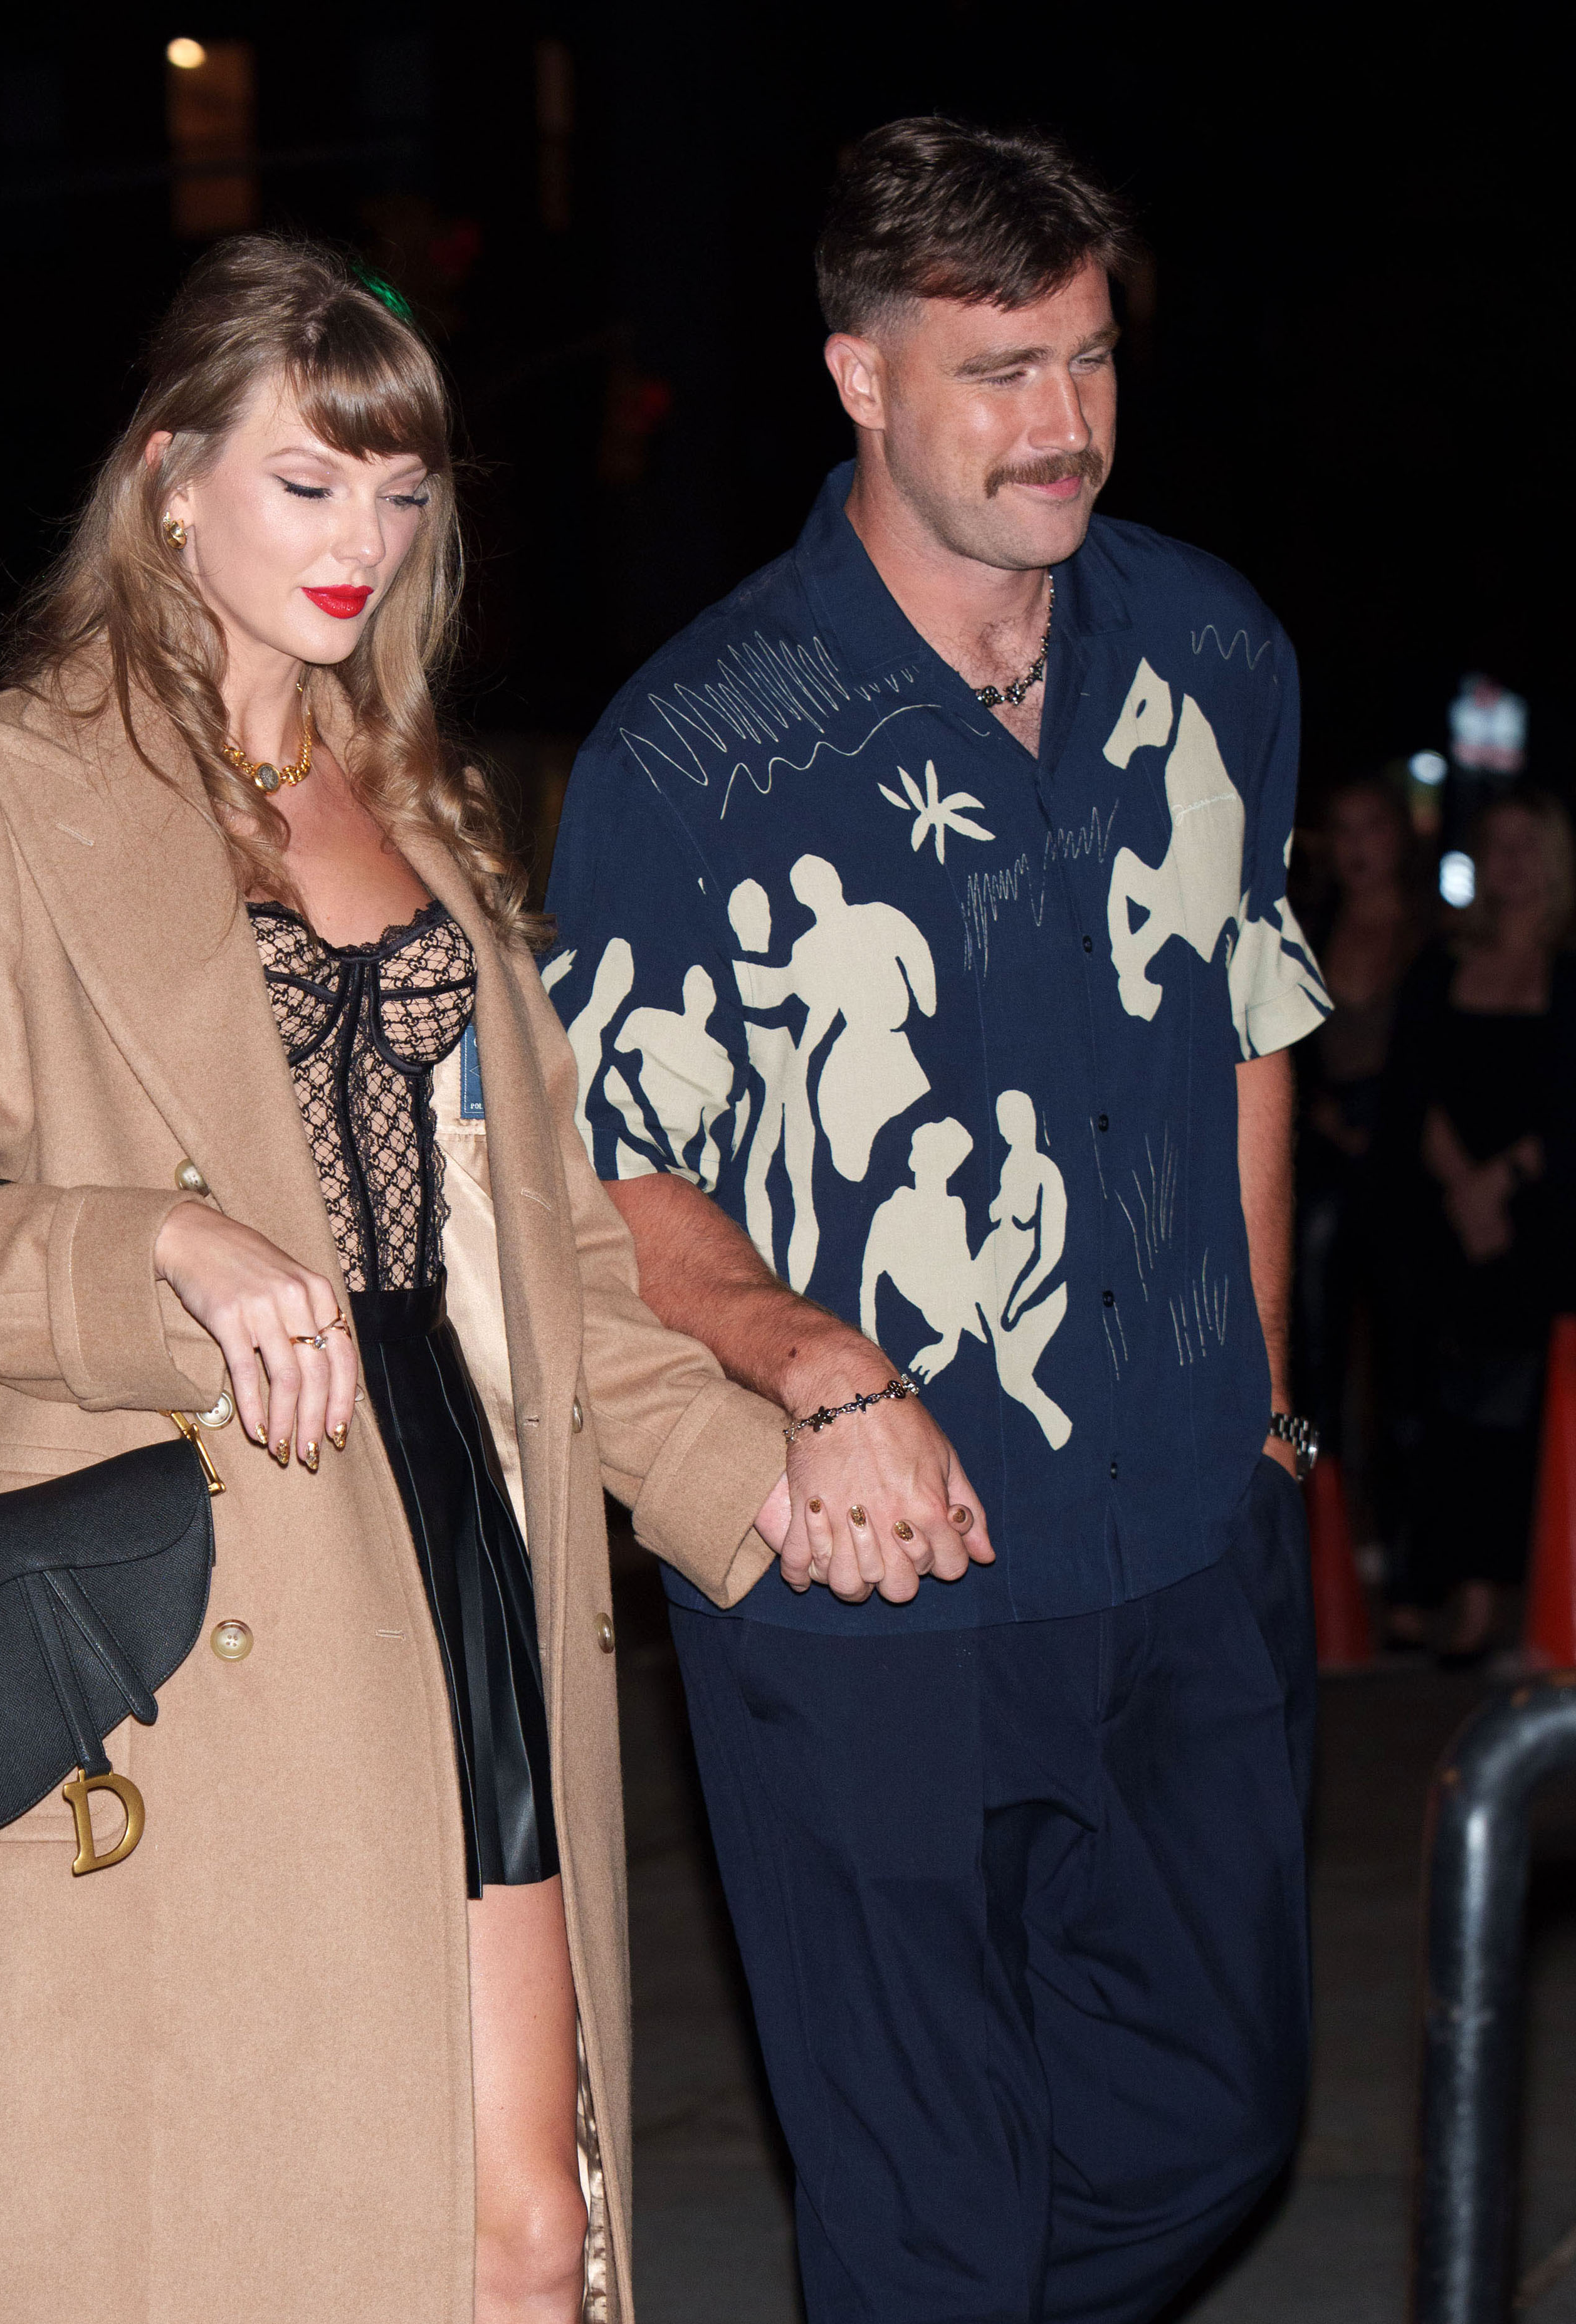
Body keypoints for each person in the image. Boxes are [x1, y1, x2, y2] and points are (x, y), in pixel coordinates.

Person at [0, 234, 787, 2324]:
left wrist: (751, 1478)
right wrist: (159, 1240)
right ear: (171, 479)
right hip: (201, 1580)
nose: (366, 540)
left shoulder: (429, 810)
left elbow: (559, 1255)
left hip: (457, 1531)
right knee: (267, 2237)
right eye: (310, 484)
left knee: (535, 2228)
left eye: (403, 492)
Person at [544, 119, 1327, 2322]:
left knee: (1218, 2109)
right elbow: (614, 1166)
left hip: (1185, 1529)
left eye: (1085, 359)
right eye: (996, 370)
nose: (1059, 423)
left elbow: (1250, 991)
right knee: (926, 2190)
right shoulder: (694, 748)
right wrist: (819, 1364)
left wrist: (1259, 1380)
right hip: (869, 1580)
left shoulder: (1213, 648)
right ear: (863, 379)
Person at [1376, 789, 1576, 1661]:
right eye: (1497, 845)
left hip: (1540, 1221)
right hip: (1443, 1214)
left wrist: (1505, 1181)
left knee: (1519, 1409)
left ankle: (1503, 1594)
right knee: (1435, 1402)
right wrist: (1462, 1183)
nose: (1512, 862)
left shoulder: (1571, 970)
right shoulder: (1439, 963)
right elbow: (1409, 1087)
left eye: (1528, 845)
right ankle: (1444, 1584)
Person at [1293, 773, 1426, 1559]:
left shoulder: (1436, 932)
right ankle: (1323, 1538)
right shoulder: (1306, 925)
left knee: (1411, 1359)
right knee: (1312, 1350)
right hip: (1321, 1164)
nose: (1357, 847)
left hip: (1409, 1169)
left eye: (1372, 827)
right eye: (1342, 829)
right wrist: (1318, 1113)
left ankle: (1408, 1550)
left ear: (1400, 838)